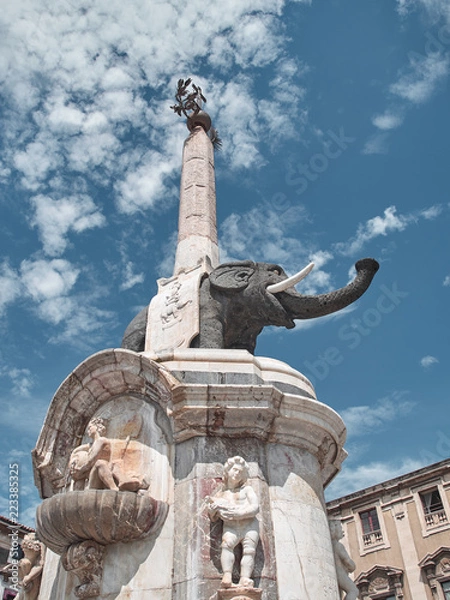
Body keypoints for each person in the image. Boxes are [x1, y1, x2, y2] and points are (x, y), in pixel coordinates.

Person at [206, 456, 260, 589]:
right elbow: (213, 517)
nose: (237, 473)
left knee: (249, 551)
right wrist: (213, 511)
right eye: (235, 470)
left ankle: (245, 578)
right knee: (227, 546)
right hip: (231, 526)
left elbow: (255, 507)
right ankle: (227, 575)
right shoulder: (221, 494)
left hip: (249, 525)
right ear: (227, 471)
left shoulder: (247, 490)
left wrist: (239, 513)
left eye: (240, 472)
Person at [69, 417, 148, 492]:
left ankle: (114, 488)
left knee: (100, 463)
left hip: (99, 479)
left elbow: (91, 461)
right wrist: (74, 453)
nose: (88, 430)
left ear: (97, 427)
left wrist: (80, 471)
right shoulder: (91, 445)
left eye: (90, 427)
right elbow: (80, 449)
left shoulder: (101, 441)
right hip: (91, 481)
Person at [329, 519, 359, 600]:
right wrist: (353, 566)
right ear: (335, 530)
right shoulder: (338, 546)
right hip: (340, 573)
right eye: (340, 528)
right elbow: (347, 560)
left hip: (336, 572)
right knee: (353, 590)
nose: (342, 530)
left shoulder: (330, 546)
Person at [17, 534, 44, 600]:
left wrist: (29, 577)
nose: (24, 550)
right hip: (25, 579)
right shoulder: (24, 561)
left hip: (32, 578)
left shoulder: (41, 545)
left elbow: (40, 564)